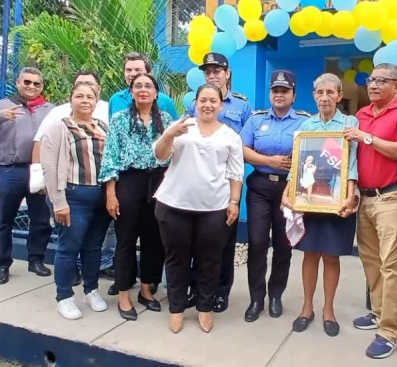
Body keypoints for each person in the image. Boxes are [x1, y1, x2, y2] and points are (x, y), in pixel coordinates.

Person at [344, 63, 397, 359]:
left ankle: (390, 331)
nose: (373, 85)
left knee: (393, 265)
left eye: (381, 80)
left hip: (391, 198)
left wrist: (366, 138)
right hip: (363, 198)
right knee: (371, 261)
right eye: (371, 80)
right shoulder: (362, 114)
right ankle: (377, 313)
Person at [153, 83, 244, 334]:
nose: (207, 105)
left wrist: (234, 202)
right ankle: (176, 309)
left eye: (213, 100)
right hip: (174, 205)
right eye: (203, 100)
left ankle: (205, 308)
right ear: (195, 102)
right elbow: (160, 155)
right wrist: (170, 133)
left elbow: (236, 173)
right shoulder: (182, 127)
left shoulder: (230, 136)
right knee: (176, 259)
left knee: (210, 261)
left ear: (221, 105)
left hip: (214, 208)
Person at [281, 73, 358, 338]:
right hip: (310, 199)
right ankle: (306, 308)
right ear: (313, 95)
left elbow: (352, 163)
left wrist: (350, 194)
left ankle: (328, 310)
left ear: (339, 96)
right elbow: (297, 164)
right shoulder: (305, 127)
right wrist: (287, 192)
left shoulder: (349, 123)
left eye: (329, 93)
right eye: (319, 92)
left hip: (336, 200)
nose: (324, 97)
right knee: (310, 253)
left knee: (331, 255)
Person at [99, 73, 172, 321]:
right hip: (129, 182)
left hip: (158, 182)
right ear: (131, 92)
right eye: (137, 86)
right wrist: (111, 193)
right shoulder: (119, 120)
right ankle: (123, 295)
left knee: (154, 240)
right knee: (126, 241)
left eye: (148, 86)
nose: (143, 89)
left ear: (156, 93)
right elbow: (109, 158)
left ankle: (146, 290)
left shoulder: (166, 119)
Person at [239, 70, 309, 322]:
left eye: (284, 91)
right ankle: (256, 298)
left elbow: (313, 149)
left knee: (284, 245)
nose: (279, 95)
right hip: (259, 187)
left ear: (293, 95)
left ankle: (276, 294)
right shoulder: (256, 120)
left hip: (289, 190)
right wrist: (269, 160)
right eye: (275, 90)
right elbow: (242, 149)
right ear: (270, 93)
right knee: (257, 243)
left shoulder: (303, 121)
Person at [0, 67, 55, 285]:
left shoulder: (49, 109)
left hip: (38, 170)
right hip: (8, 170)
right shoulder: (1, 107)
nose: (31, 87)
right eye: (27, 82)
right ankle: (2, 265)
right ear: (18, 82)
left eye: (37, 84)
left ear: (41, 86)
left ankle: (36, 259)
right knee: (3, 221)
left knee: (40, 219)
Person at [186, 52, 252, 313]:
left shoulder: (242, 106)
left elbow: (245, 145)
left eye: (217, 70)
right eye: (207, 71)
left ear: (227, 74)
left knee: (224, 241)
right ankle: (195, 288)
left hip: (228, 181)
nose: (212, 74)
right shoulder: (194, 104)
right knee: (195, 239)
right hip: (198, 181)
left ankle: (220, 291)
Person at [30, 71, 109, 287]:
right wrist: (59, 202)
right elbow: (50, 166)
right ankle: (64, 295)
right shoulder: (59, 128)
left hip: (100, 198)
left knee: (93, 248)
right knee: (69, 247)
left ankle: (91, 290)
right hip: (73, 197)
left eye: (89, 97)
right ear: (70, 100)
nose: (85, 101)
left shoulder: (103, 127)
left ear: (96, 101)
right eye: (79, 96)